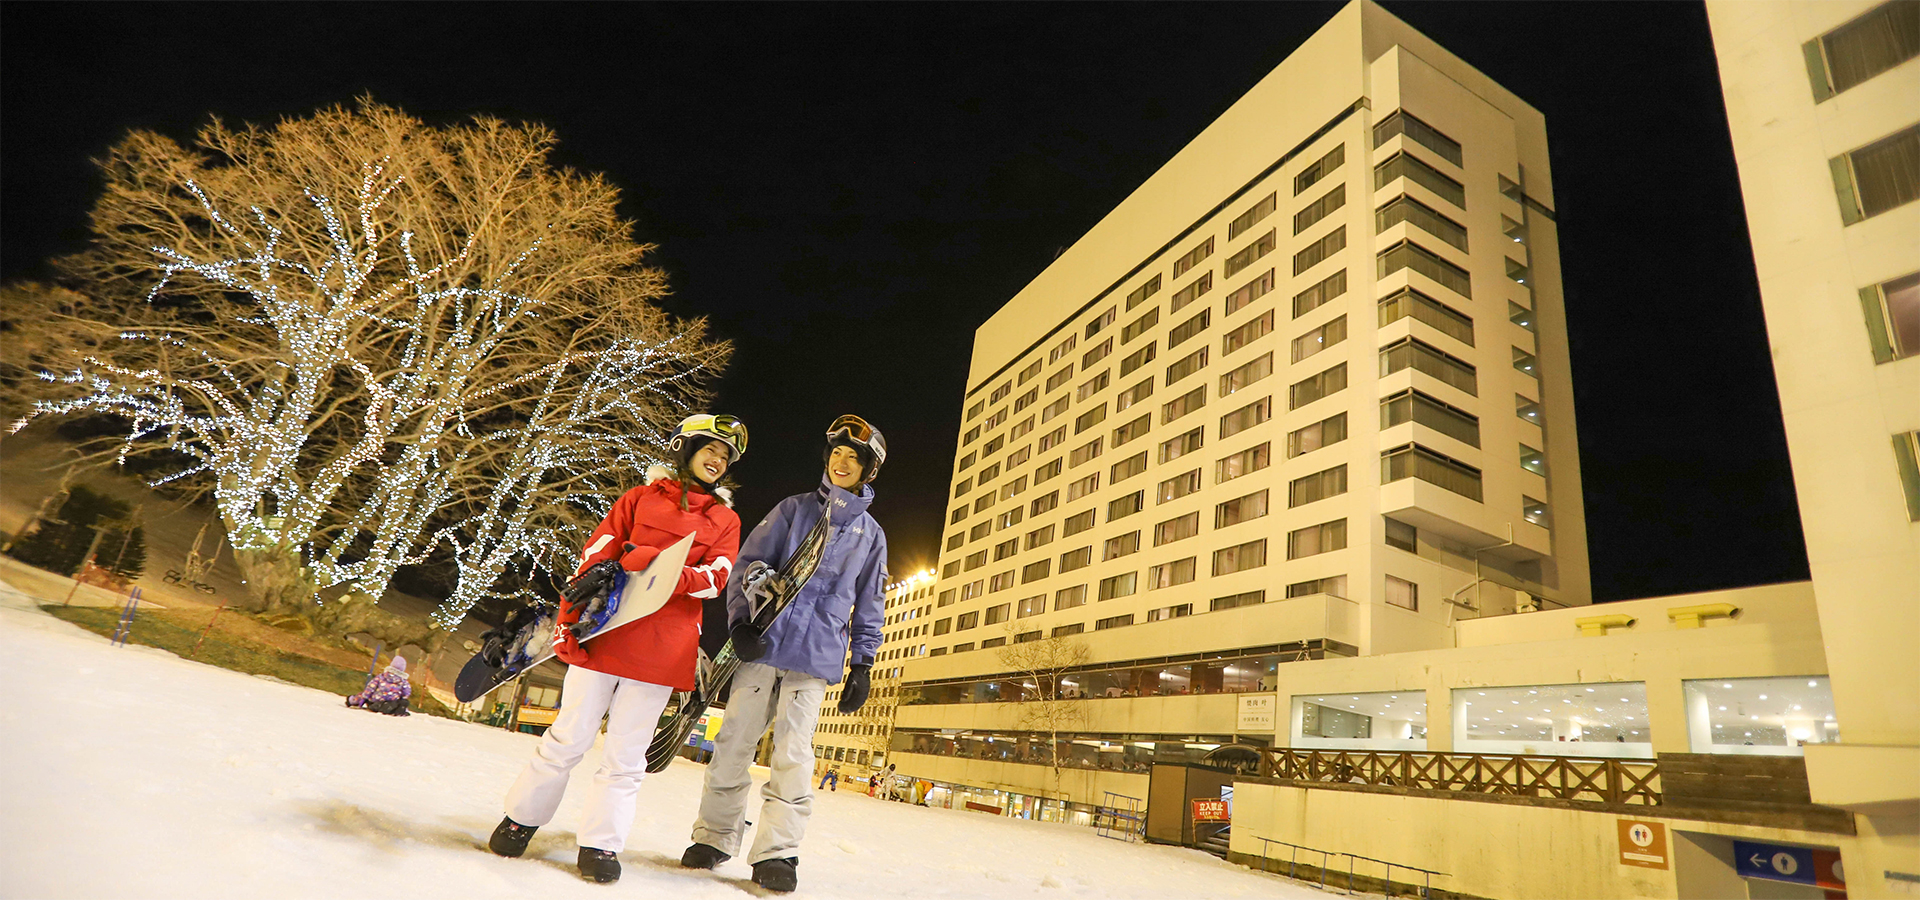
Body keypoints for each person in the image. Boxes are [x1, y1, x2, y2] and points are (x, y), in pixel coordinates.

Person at [486, 415, 747, 884]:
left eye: (725, 456)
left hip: (663, 647)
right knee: (569, 735)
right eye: (710, 448)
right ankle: (520, 819)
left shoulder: (724, 520)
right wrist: (567, 620)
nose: (717, 459)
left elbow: (715, 579)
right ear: (685, 448)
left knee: (627, 756)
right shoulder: (639, 498)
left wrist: (652, 564)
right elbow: (596, 557)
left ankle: (601, 845)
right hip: (605, 634)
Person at [680, 415, 889, 894]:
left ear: (868, 470)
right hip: (765, 644)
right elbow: (747, 564)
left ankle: (778, 852)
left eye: (853, 457)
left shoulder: (871, 536)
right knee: (734, 743)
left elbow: (870, 602)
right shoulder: (792, 510)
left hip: (814, 659)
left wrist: (863, 662)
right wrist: (739, 623)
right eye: (836, 453)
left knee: (793, 754)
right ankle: (713, 837)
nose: (841, 462)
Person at [345, 656, 412, 715]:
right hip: (392, 702)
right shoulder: (403, 681)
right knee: (402, 702)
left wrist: (364, 698)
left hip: (376, 701)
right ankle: (398, 709)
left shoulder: (381, 676)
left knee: (364, 695)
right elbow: (406, 693)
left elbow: (370, 688)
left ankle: (353, 700)